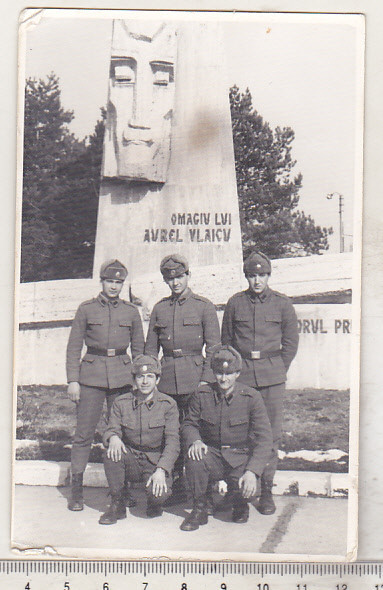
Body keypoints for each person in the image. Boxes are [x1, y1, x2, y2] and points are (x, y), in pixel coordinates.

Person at [221, 251, 299, 515]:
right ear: (247, 277)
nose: (257, 281)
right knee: (241, 434)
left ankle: (266, 491)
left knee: (270, 435)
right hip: (242, 377)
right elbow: (227, 342)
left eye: (262, 275)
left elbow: (290, 344)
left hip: (272, 377)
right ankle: (239, 490)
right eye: (252, 275)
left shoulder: (282, 304)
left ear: (268, 276)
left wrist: (277, 368)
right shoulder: (235, 303)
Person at [66, 259, 145, 511]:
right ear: (101, 281)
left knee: (121, 434)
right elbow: (74, 347)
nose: (114, 286)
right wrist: (73, 380)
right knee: (84, 434)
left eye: (118, 282)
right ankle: (76, 491)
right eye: (110, 281)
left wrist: (139, 379)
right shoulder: (86, 309)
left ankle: (119, 491)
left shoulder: (130, 311)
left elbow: (140, 349)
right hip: (91, 376)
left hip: (122, 378)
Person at [145, 254, 221, 501]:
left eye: (179, 277)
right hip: (167, 380)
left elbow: (214, 349)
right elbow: (149, 351)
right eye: (170, 278)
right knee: (171, 432)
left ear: (188, 275)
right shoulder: (159, 309)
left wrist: (205, 380)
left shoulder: (203, 306)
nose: (175, 282)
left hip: (195, 378)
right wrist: (152, 381)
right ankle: (175, 485)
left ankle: (206, 486)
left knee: (201, 431)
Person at [180, 345, 273, 531]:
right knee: (194, 457)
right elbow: (189, 424)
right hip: (212, 453)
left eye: (229, 373)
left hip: (240, 456)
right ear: (213, 373)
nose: (224, 378)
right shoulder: (202, 394)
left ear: (238, 373)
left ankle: (240, 503)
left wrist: (252, 471)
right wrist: (196, 441)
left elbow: (265, 438)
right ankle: (200, 507)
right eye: (219, 373)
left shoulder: (251, 397)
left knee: (243, 491)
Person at [99, 354, 180, 524]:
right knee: (111, 453)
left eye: (150, 376)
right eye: (140, 377)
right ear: (134, 379)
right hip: (132, 459)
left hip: (155, 461)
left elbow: (173, 442)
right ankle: (117, 504)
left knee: (159, 496)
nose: (145, 381)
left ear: (157, 379)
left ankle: (154, 502)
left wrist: (162, 469)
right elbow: (111, 428)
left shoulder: (168, 404)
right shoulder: (122, 402)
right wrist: (113, 437)